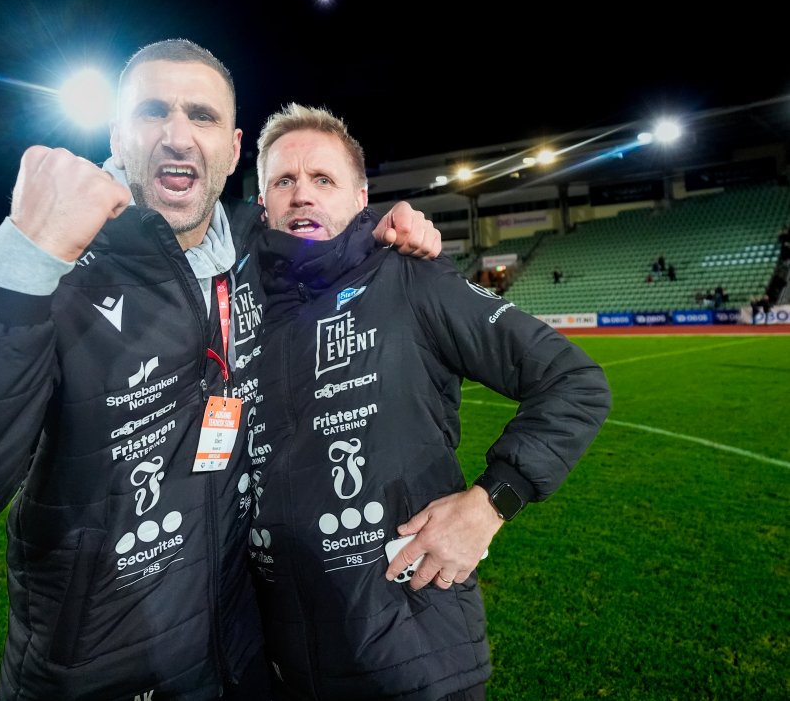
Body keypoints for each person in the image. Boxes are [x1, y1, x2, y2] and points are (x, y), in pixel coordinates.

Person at [0, 40, 441, 701]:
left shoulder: (255, 249)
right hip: (100, 674)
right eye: (153, 111)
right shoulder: (59, 269)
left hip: (242, 659)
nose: (177, 135)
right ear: (117, 136)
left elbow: (331, 232)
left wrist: (390, 226)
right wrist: (22, 258)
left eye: (202, 116)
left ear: (234, 149)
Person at [243, 104, 612, 700]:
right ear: (263, 203)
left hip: (413, 658)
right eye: (284, 180)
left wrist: (491, 504)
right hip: (280, 664)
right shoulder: (239, 307)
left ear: (361, 197)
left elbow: (574, 381)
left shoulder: (411, 277)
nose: (302, 194)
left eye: (323, 178)